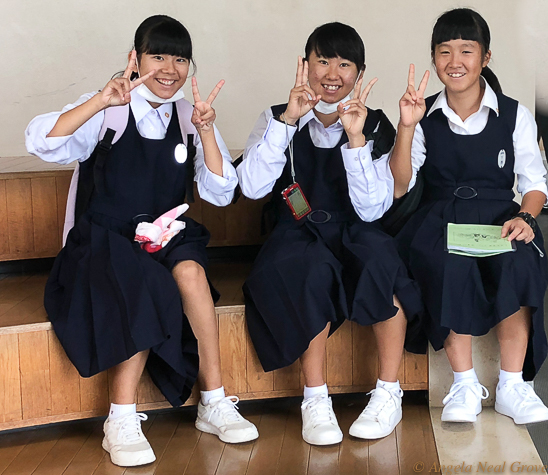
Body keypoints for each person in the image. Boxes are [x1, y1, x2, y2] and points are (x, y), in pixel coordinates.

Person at [25, 15, 257, 468]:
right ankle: (121, 417)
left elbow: (221, 190)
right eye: (158, 55)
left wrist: (207, 129)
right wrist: (98, 100)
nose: (169, 68)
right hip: (104, 237)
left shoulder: (190, 119)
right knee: (145, 281)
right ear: (135, 58)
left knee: (191, 273)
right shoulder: (109, 109)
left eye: (180, 58)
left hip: (166, 233)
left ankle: (213, 399)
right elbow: (42, 142)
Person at [237, 22, 423, 445]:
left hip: (355, 227)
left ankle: (388, 392)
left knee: (382, 263)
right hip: (296, 230)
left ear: (359, 73)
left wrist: (355, 138)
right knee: (309, 269)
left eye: (345, 63)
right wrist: (287, 121)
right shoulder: (275, 117)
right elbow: (250, 188)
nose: (333, 72)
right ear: (306, 65)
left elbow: (373, 208)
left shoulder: (374, 125)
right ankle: (315, 398)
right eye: (323, 60)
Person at [390, 8, 548, 425]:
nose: (454, 61)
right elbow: (399, 184)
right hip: (440, 215)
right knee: (446, 262)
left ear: (486, 57)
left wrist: (527, 220)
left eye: (466, 50)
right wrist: (406, 127)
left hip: (501, 214)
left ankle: (513, 384)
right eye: (444, 52)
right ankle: (463, 383)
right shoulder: (421, 114)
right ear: (434, 58)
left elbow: (535, 183)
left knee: (518, 259)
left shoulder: (514, 115)